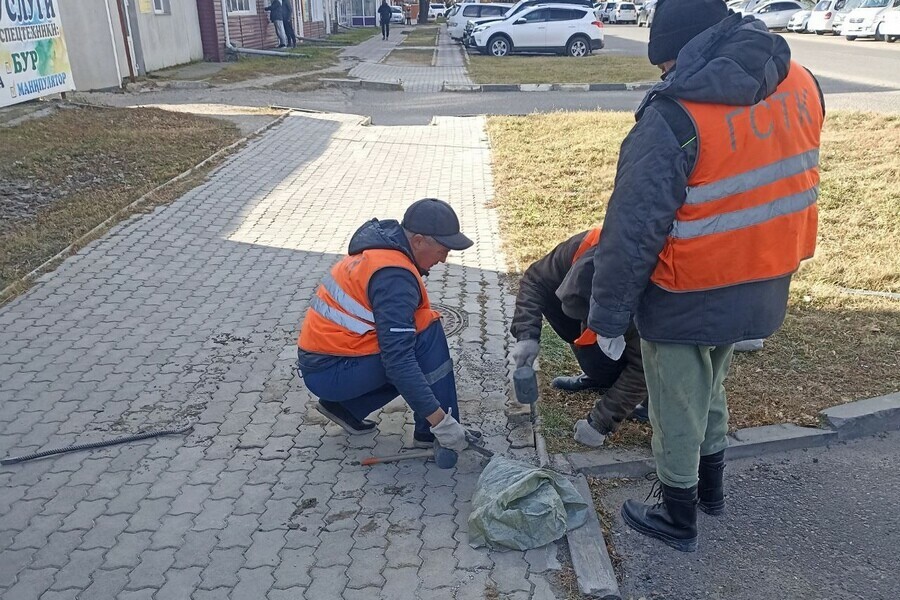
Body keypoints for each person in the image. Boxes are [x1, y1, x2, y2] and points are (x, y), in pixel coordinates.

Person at [586, 0, 824, 552]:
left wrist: (609, 316)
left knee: (676, 406)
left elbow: (632, 230)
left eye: (664, 65)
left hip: (688, 289)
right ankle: (711, 492)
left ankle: (677, 515)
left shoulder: (675, 116)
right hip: (765, 277)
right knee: (712, 386)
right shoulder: (801, 81)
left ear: (682, 51)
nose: (664, 76)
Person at [297, 199, 475, 455]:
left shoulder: (382, 252)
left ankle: (347, 408)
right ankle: (435, 433)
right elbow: (399, 362)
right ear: (418, 241)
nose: (445, 259)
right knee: (426, 338)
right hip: (332, 371)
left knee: (413, 335)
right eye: (443, 249)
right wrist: (441, 423)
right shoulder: (393, 277)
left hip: (326, 364)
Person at [509, 228, 648, 448]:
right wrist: (527, 335)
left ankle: (652, 404)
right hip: (610, 311)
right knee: (553, 299)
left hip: (676, 326)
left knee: (657, 365)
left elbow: (644, 367)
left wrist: (599, 423)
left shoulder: (644, 296)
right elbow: (535, 280)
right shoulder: (581, 246)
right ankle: (600, 376)